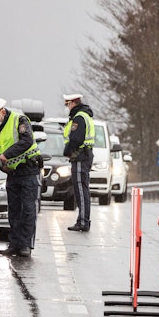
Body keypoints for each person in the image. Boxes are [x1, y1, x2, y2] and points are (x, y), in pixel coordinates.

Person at [0, 97, 42, 257]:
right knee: (14, 210)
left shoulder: (19, 120)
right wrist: (2, 165)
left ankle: (26, 245)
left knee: (28, 209)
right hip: (12, 173)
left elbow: (27, 141)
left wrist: (6, 156)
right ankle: (14, 244)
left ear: (2, 112)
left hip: (29, 170)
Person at [63, 93, 94, 232]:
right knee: (82, 189)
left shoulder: (79, 117)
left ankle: (83, 222)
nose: (66, 107)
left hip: (81, 156)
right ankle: (82, 220)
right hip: (82, 156)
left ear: (73, 103)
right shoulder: (83, 116)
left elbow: (76, 139)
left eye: (67, 104)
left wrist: (67, 151)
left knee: (81, 190)